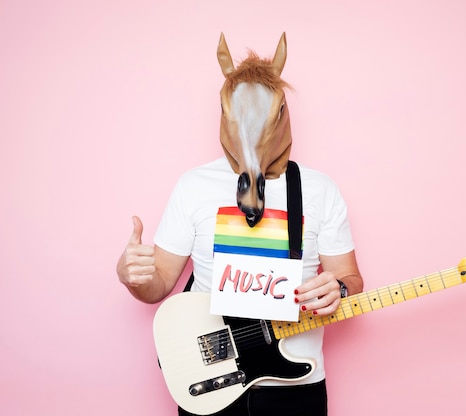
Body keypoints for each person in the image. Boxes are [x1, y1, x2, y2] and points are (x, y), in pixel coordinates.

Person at [116, 34, 363, 416]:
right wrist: (133, 276)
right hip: (212, 382)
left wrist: (340, 289)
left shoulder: (318, 189)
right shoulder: (194, 185)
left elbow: (350, 278)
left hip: (294, 385)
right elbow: (159, 284)